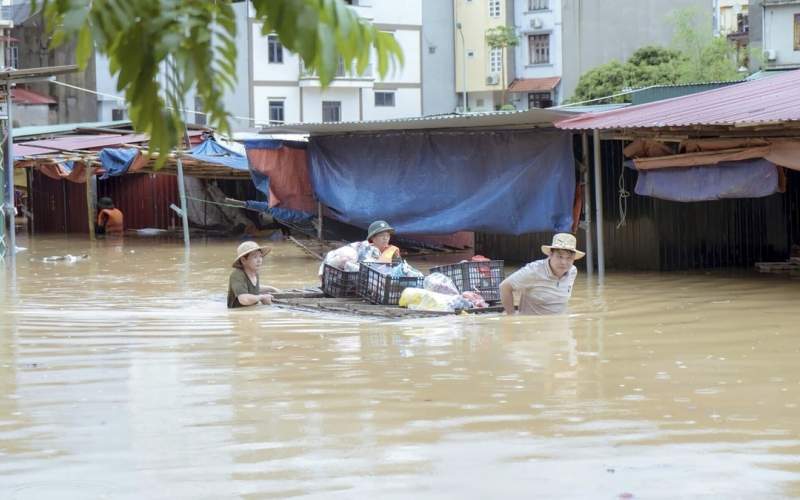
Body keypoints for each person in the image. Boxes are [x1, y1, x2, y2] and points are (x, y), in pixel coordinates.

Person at [499, 233, 585, 315]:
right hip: (534, 327)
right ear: (550, 255)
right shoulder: (534, 270)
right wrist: (511, 315)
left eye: (569, 258)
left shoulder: (572, 271)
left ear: (574, 259)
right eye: (559, 256)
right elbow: (504, 287)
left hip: (559, 325)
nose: (564, 262)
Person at [227, 241, 280, 308]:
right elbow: (243, 299)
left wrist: (272, 289)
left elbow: (253, 289)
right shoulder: (237, 275)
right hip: (239, 314)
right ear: (243, 260)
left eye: (260, 256)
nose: (259, 260)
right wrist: (262, 297)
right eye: (255, 257)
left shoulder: (254, 273)